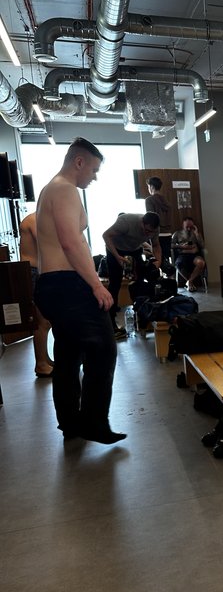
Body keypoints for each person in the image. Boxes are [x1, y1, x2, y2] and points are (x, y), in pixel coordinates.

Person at [33, 137, 125, 444]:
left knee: (69, 353)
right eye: (94, 170)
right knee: (104, 349)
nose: (94, 177)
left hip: (52, 285)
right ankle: (94, 423)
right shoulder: (65, 189)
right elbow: (71, 242)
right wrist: (96, 285)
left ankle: (71, 423)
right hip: (67, 285)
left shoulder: (50, 189)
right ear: (79, 162)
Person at [102, 211, 161, 338]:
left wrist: (158, 262)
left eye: (151, 232)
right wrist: (117, 257)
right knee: (115, 285)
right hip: (115, 250)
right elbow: (106, 235)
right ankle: (111, 324)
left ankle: (142, 319)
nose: (148, 234)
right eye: (146, 230)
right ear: (141, 222)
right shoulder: (126, 222)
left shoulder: (155, 230)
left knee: (140, 283)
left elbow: (156, 245)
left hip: (135, 250)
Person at [19, 212, 54, 378]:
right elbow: (47, 243)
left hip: (39, 272)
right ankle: (41, 364)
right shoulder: (34, 219)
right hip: (32, 272)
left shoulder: (41, 219)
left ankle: (44, 359)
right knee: (42, 322)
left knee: (46, 321)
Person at [171, 216, 205, 292]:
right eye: (187, 227)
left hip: (195, 255)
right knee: (178, 264)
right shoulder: (177, 233)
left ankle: (190, 281)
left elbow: (202, 245)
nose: (189, 229)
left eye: (191, 227)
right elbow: (171, 245)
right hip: (182, 255)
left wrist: (196, 234)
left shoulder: (196, 233)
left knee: (201, 263)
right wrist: (181, 246)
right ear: (183, 225)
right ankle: (190, 282)